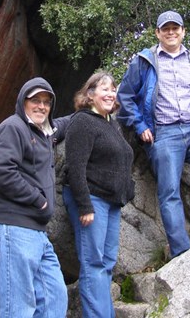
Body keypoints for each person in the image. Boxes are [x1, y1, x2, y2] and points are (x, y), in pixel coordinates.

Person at [117, 11, 190, 258]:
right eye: (165, 29)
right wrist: (140, 126)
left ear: (183, 32)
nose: (171, 32)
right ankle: (181, 251)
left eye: (175, 28)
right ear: (157, 33)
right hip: (163, 133)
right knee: (169, 191)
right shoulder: (144, 61)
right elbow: (125, 96)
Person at [0, 77, 71, 318]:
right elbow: (2, 172)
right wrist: (39, 200)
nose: (41, 106)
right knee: (19, 308)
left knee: (55, 297)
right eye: (35, 100)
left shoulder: (45, 133)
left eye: (46, 102)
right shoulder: (13, 127)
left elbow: (63, 124)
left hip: (37, 232)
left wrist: (91, 109)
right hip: (14, 227)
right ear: (23, 101)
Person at [62, 71, 135, 318]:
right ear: (90, 95)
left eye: (113, 90)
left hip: (112, 203)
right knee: (93, 263)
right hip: (91, 200)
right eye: (104, 89)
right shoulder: (82, 121)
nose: (110, 94)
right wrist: (85, 206)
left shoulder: (110, 123)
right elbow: (75, 167)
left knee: (106, 264)